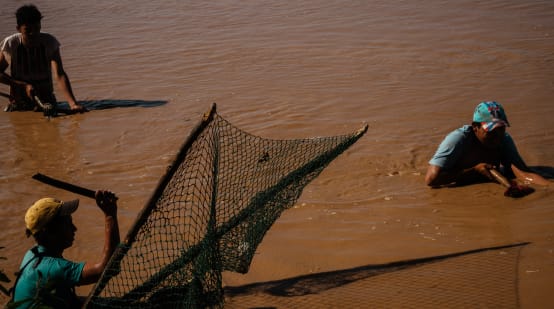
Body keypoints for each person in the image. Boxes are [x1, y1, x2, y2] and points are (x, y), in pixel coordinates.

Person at [11, 191, 120, 308]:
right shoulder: (53, 268)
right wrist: (110, 215)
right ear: (49, 232)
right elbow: (105, 270)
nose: (75, 228)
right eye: (68, 224)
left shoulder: (33, 254)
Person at [426, 101, 550, 187]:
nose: (497, 136)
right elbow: (431, 180)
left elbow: (523, 173)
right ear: (475, 127)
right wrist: (474, 171)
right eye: (491, 131)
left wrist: (550, 186)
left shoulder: (504, 139)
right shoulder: (457, 139)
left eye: (501, 129)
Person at [0, 4, 86, 113]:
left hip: (47, 102)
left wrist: (73, 104)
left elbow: (59, 75)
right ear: (18, 29)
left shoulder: (50, 42)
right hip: (19, 104)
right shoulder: (11, 43)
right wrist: (22, 85)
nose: (34, 33)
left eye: (37, 28)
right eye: (28, 30)